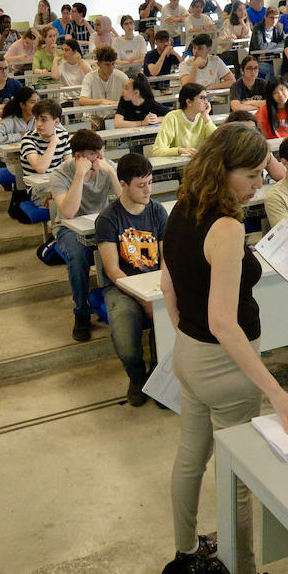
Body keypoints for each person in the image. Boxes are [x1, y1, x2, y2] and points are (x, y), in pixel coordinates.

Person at [162, 122, 288, 574]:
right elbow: (224, 323)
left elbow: (171, 285)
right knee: (238, 483)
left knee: (191, 457)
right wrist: (277, 392)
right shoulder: (227, 227)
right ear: (224, 169)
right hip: (225, 369)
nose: (260, 183)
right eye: (252, 175)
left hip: (188, 357)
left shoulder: (182, 206)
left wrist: (184, 335)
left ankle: (187, 549)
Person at [96, 153, 167, 403]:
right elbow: (114, 270)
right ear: (123, 185)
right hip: (123, 286)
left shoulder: (158, 212)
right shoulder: (108, 219)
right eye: (141, 185)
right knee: (125, 334)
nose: (148, 190)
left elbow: (166, 260)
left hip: (156, 283)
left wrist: (160, 294)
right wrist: (143, 298)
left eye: (150, 182)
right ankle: (137, 376)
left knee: (168, 325)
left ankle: (161, 377)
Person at [50, 129, 120, 342]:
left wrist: (112, 174)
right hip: (68, 228)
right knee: (78, 255)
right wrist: (80, 175)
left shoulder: (106, 167)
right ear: (78, 156)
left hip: (101, 225)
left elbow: (128, 201)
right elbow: (69, 212)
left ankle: (115, 302)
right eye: (93, 153)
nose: (100, 157)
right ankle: (81, 311)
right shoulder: (60, 174)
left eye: (101, 151)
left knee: (125, 245)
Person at [150, 83, 217, 157]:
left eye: (206, 98)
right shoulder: (172, 117)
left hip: (199, 164)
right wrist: (179, 150)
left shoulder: (203, 117)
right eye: (202, 98)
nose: (206, 102)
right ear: (189, 102)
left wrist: (206, 118)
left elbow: (219, 142)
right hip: (178, 166)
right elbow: (157, 151)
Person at [19, 100, 70, 176]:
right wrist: (53, 143)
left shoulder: (63, 135)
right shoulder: (28, 139)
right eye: (36, 119)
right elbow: (41, 168)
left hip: (58, 183)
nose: (38, 124)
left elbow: (68, 167)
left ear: (56, 122)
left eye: (43, 120)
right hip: (38, 187)